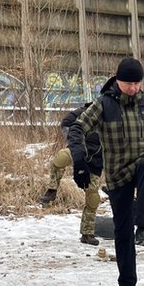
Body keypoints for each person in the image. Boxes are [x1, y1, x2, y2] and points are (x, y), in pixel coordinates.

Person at [67, 57, 144, 286]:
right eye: (127, 83)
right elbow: (77, 128)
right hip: (118, 174)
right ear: (117, 80)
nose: (132, 88)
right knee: (122, 232)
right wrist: (79, 161)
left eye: (136, 83)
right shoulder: (104, 104)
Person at [37, 102, 103, 247]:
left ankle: (87, 233)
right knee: (60, 158)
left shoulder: (115, 117)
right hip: (78, 151)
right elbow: (66, 122)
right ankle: (52, 190)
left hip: (96, 162)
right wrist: (73, 141)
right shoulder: (85, 111)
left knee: (93, 198)